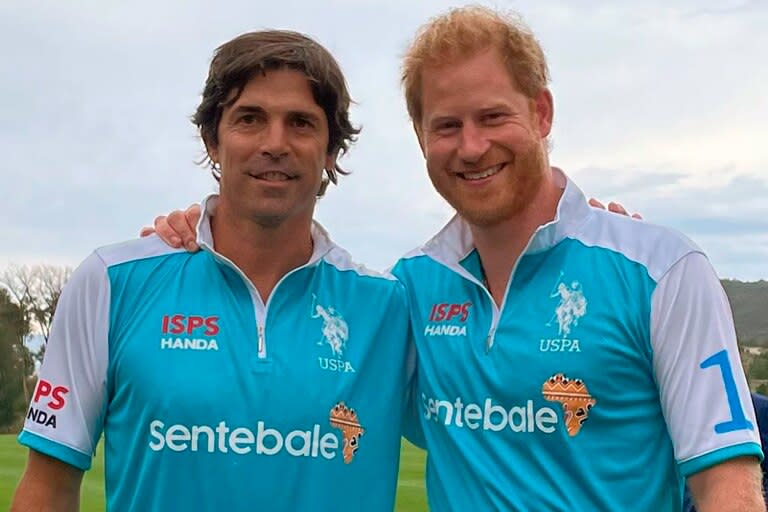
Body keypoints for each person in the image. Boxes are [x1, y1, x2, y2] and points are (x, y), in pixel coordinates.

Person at [148, 6, 764, 511]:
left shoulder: (662, 270)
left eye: (494, 116)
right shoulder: (409, 290)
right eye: (446, 126)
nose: (472, 147)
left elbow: (727, 490)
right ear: (420, 136)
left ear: (541, 113)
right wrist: (203, 230)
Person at [11, 31, 413, 512]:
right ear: (212, 140)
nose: (275, 143)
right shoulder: (111, 281)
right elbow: (48, 487)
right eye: (250, 119)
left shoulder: (391, 306)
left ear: (331, 151)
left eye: (302, 123)